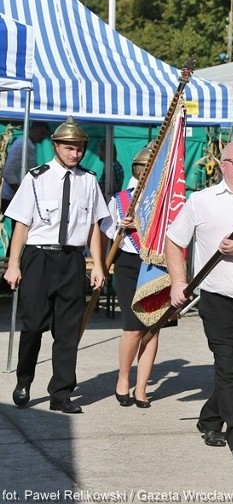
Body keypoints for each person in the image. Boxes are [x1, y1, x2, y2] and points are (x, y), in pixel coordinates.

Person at [165, 141, 233, 464]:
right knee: (229, 369)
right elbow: (174, 242)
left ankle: (210, 418)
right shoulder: (201, 202)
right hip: (219, 302)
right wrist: (178, 281)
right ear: (223, 164)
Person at [3, 116, 108, 414]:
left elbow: (93, 227)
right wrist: (14, 264)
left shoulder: (88, 181)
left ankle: (61, 393)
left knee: (67, 330)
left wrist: (97, 265)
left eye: (79, 148)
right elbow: (21, 224)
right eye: (69, 148)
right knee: (33, 324)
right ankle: (24, 380)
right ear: (56, 146)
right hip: (39, 257)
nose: (75, 154)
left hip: (72, 259)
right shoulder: (36, 178)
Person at [100, 143, 158, 408]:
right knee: (133, 326)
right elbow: (106, 233)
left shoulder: (163, 201)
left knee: (153, 327)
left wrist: (144, 225)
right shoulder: (120, 199)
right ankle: (123, 378)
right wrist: (100, 266)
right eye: (142, 168)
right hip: (128, 263)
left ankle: (142, 388)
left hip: (157, 263)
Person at [1, 121, 51, 214]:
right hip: (13, 196)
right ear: (33, 130)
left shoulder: (30, 145)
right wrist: (21, 192)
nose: (43, 137)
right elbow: (8, 172)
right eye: (42, 133)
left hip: (20, 194)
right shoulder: (22, 144)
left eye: (45, 134)